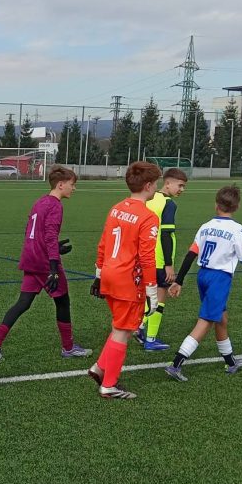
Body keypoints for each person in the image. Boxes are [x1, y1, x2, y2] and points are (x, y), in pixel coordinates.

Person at [0, 166, 89, 362]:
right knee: (63, 301)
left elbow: (33, 232)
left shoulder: (40, 201)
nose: (74, 188)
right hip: (44, 262)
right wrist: (53, 267)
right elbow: (49, 235)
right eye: (72, 184)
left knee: (23, 302)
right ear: (61, 185)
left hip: (31, 258)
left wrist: (56, 247)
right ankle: (68, 348)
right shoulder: (55, 206)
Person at [87, 161, 162, 400]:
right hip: (128, 279)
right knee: (124, 330)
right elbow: (147, 257)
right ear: (148, 186)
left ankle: (100, 367)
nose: (157, 187)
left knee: (119, 326)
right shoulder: (148, 217)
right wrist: (152, 290)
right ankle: (109, 385)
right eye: (156, 183)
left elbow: (103, 243)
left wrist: (99, 273)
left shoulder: (116, 208)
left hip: (110, 273)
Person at [164, 185, 242, 382]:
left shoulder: (206, 226)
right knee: (206, 321)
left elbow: (191, 254)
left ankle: (230, 362)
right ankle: (176, 364)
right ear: (237, 207)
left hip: (203, 276)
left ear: (216, 205)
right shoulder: (237, 229)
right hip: (219, 279)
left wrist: (179, 281)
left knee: (221, 318)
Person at [135, 167, 188, 351]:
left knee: (148, 296)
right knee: (160, 297)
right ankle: (150, 338)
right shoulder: (168, 204)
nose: (182, 190)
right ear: (168, 183)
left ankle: (140, 328)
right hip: (159, 259)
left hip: (144, 256)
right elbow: (166, 235)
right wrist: (168, 264)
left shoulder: (149, 199)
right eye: (180, 185)